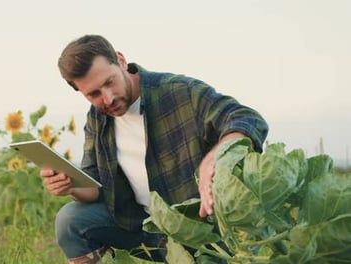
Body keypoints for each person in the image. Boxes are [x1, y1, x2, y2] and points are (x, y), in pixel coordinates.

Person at [40, 34, 268, 264]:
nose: (107, 98)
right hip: (141, 226)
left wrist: (216, 155)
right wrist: (71, 185)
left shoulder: (180, 92)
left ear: (120, 61)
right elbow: (96, 185)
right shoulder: (98, 117)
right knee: (70, 219)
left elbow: (245, 118)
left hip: (199, 231)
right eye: (94, 94)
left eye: (110, 82)